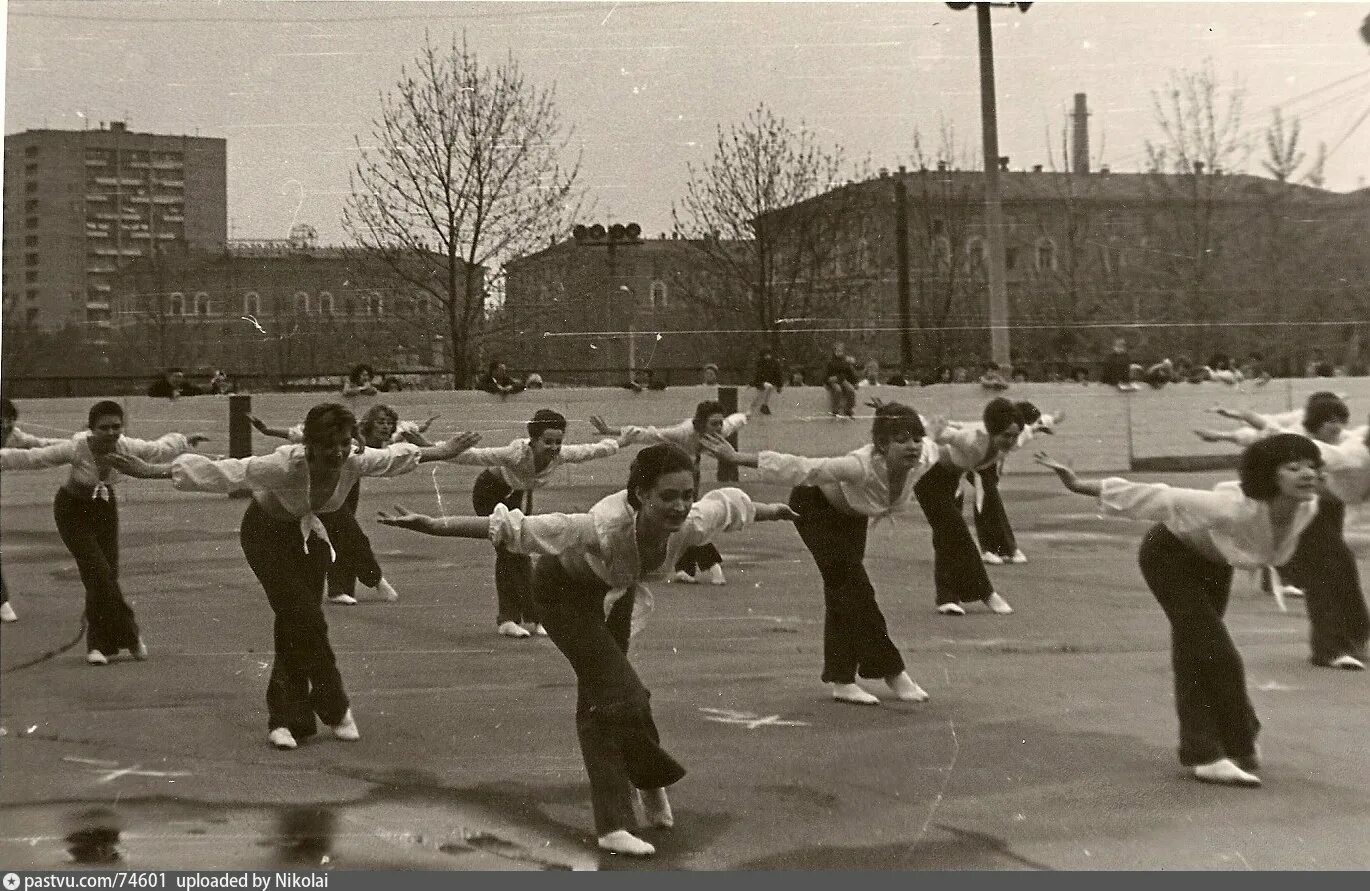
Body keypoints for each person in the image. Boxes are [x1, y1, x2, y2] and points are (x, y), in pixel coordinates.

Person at [376, 443, 798, 857]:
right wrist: (434, 524)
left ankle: (626, 807)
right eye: (667, 496)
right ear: (641, 495)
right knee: (622, 695)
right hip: (563, 594)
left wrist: (774, 511)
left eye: (687, 495)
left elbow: (733, 507)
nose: (680, 505)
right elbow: (516, 529)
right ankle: (633, 799)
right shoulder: (601, 525)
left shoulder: (691, 522)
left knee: (607, 699)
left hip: (615, 593)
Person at [107, 403, 479, 751]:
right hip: (265, 536)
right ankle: (334, 706)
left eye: (345, 445)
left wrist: (444, 450)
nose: (338, 454)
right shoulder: (284, 464)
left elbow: (396, 458)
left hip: (309, 538)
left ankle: (287, 722)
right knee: (305, 617)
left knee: (296, 624)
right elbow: (227, 472)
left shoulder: (353, 460)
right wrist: (149, 470)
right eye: (330, 446)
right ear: (310, 445)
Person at [1034, 434, 1347, 786]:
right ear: (1269, 475)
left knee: (1197, 650)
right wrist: (1079, 485)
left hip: (1214, 565)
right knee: (1217, 653)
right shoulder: (1233, 506)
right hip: (1170, 557)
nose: (1307, 474)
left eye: (1311, 466)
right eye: (1293, 468)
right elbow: (1163, 496)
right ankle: (1219, 748)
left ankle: (1224, 747)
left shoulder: (1306, 507)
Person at [699, 403, 937, 706]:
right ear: (881, 444)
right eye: (902, 440)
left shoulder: (926, 455)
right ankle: (893, 672)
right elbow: (802, 467)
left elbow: (943, 439)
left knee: (844, 591)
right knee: (855, 587)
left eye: (916, 438)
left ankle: (842, 680)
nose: (913, 446)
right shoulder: (859, 465)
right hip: (814, 508)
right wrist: (736, 458)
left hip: (851, 516)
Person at [0, 401, 209, 663]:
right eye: (104, 428)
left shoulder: (126, 446)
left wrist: (183, 440)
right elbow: (33, 458)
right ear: (91, 428)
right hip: (71, 511)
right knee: (98, 572)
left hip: (104, 509)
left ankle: (97, 646)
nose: (111, 432)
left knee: (107, 574)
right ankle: (130, 636)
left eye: (116, 427)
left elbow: (156, 449)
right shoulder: (77, 447)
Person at [440, 408, 621, 638]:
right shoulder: (516, 454)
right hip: (490, 493)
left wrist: (617, 443)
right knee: (511, 551)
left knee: (519, 549)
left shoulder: (559, 455)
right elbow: (476, 456)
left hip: (518, 495)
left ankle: (525, 618)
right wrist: (436, 450)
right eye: (548, 442)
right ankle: (515, 619)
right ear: (533, 440)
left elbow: (588, 451)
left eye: (558, 441)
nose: (554, 448)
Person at [247, 405, 441, 605]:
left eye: (389, 423)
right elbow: (296, 435)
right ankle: (373, 580)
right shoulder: (339, 436)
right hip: (325, 487)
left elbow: (405, 443)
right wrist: (267, 430)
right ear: (367, 423)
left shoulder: (392, 438)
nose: (385, 427)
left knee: (342, 535)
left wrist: (428, 435)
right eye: (380, 422)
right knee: (349, 533)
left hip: (347, 485)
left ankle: (340, 587)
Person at [591, 401, 750, 585]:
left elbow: (736, 421)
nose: (719, 428)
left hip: (688, 479)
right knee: (681, 523)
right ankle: (694, 569)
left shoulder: (720, 431)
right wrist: (610, 430)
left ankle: (699, 568)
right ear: (700, 423)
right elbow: (647, 434)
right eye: (714, 423)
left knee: (686, 522)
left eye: (720, 423)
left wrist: (749, 412)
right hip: (672, 480)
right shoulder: (683, 432)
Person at [917, 397, 1020, 615]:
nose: (1011, 441)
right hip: (929, 479)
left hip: (952, 480)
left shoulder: (1010, 440)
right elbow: (936, 432)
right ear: (992, 431)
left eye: (1015, 435)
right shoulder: (971, 440)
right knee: (958, 533)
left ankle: (947, 598)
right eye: (1006, 436)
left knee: (946, 536)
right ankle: (987, 594)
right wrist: (926, 426)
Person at [949, 401, 1064, 565]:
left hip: (986, 463)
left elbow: (1042, 423)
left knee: (987, 499)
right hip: (968, 460)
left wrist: (1055, 418)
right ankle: (990, 549)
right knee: (981, 499)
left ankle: (999, 548)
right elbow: (960, 427)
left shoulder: (1025, 431)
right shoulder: (983, 431)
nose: (1013, 436)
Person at [1, 398, 68, 622]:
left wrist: (75, 443)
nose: (5, 426)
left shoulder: (14, 435)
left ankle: (1, 601)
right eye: (2, 421)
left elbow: (40, 443)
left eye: (9, 421)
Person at [823, 342, 857, 418]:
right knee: (838, 390)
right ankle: (835, 409)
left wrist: (855, 382)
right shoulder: (831, 362)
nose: (839, 353)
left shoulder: (845, 362)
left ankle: (849, 408)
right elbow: (827, 374)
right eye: (837, 351)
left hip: (842, 380)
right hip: (834, 381)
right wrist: (827, 382)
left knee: (851, 389)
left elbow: (850, 372)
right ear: (834, 352)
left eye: (840, 351)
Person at [749, 348, 785, 415]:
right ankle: (762, 405)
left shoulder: (774, 363)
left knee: (765, 391)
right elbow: (757, 375)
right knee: (764, 391)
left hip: (768, 383)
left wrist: (779, 385)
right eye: (766, 355)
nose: (768, 356)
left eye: (768, 355)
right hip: (760, 382)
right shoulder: (760, 363)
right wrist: (755, 383)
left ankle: (763, 405)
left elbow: (778, 374)